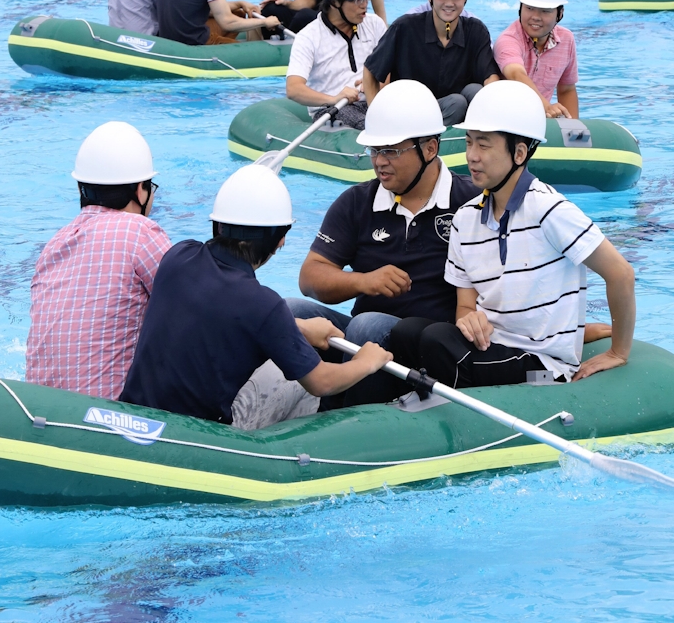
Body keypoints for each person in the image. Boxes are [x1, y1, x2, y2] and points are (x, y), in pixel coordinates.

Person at [388, 80, 634, 393]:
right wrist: (468, 320)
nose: (472, 156)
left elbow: (621, 274)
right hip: (493, 346)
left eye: (484, 144)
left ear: (519, 152)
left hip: (544, 369)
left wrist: (618, 352)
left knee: (437, 342)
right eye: (469, 142)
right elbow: (465, 306)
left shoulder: (549, 209)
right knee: (406, 331)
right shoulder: (465, 219)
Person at [120, 165, 392, 429]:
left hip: (137, 412)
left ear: (217, 224)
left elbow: (220, 310)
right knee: (299, 372)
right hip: (201, 432)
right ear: (279, 240)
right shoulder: (263, 303)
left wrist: (298, 326)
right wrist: (366, 362)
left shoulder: (178, 256)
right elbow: (321, 381)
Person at [285, 80, 479, 406]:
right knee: (289, 310)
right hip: (366, 339)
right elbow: (310, 278)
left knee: (368, 324)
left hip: (432, 341)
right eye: (374, 150)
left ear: (430, 148)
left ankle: (346, 422)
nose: (379, 162)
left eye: (391, 150)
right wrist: (364, 282)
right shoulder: (357, 202)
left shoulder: (469, 202)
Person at [26, 122, 171, 400]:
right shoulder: (141, 233)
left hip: (40, 409)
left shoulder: (54, 244)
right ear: (141, 191)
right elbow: (195, 307)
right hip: (109, 415)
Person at [363, 0, 500, 126]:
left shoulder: (476, 31)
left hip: (453, 113)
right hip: (410, 115)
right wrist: (376, 117)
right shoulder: (405, 27)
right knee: (456, 104)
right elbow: (370, 71)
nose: (449, 3)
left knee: (476, 92)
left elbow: (491, 78)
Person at [285, 0, 386, 130]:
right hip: (332, 110)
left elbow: (393, 68)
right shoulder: (309, 37)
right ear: (334, 1)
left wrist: (374, 83)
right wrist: (334, 98)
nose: (364, 6)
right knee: (371, 125)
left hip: (373, 100)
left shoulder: (375, 24)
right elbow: (293, 89)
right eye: (357, 0)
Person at [493, 0, 579, 119]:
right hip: (506, 118)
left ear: (560, 14)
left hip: (542, 120)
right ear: (520, 8)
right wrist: (546, 107)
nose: (535, 17)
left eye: (545, 11)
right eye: (530, 8)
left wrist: (574, 132)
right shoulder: (508, 39)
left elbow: (566, 90)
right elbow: (516, 74)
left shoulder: (566, 40)